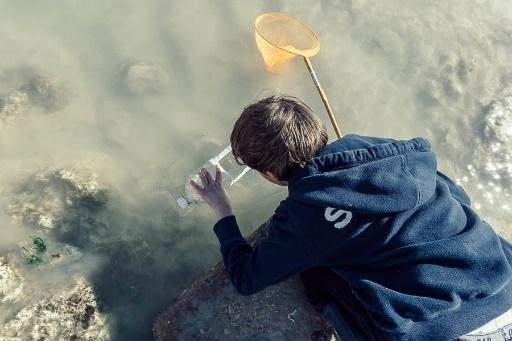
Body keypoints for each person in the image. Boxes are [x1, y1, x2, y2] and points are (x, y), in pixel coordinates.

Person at [190, 95, 512, 340]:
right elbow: (460, 198)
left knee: (317, 277)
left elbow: (247, 277)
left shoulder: (304, 216)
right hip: (504, 282)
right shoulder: (397, 152)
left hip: (447, 328)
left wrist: (222, 210)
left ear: (271, 174)